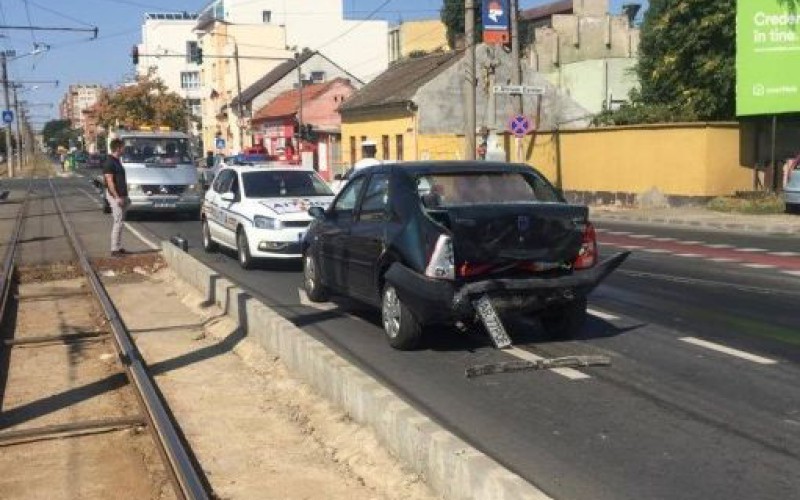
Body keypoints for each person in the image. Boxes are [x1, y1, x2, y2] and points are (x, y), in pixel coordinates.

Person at [103, 138, 130, 257]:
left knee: (120, 222)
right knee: (118, 222)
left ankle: (118, 246)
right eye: (123, 147)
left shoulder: (117, 161)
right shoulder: (109, 162)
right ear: (118, 148)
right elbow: (110, 182)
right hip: (115, 196)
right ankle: (114, 249)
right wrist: (117, 197)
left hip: (122, 195)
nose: (124, 149)